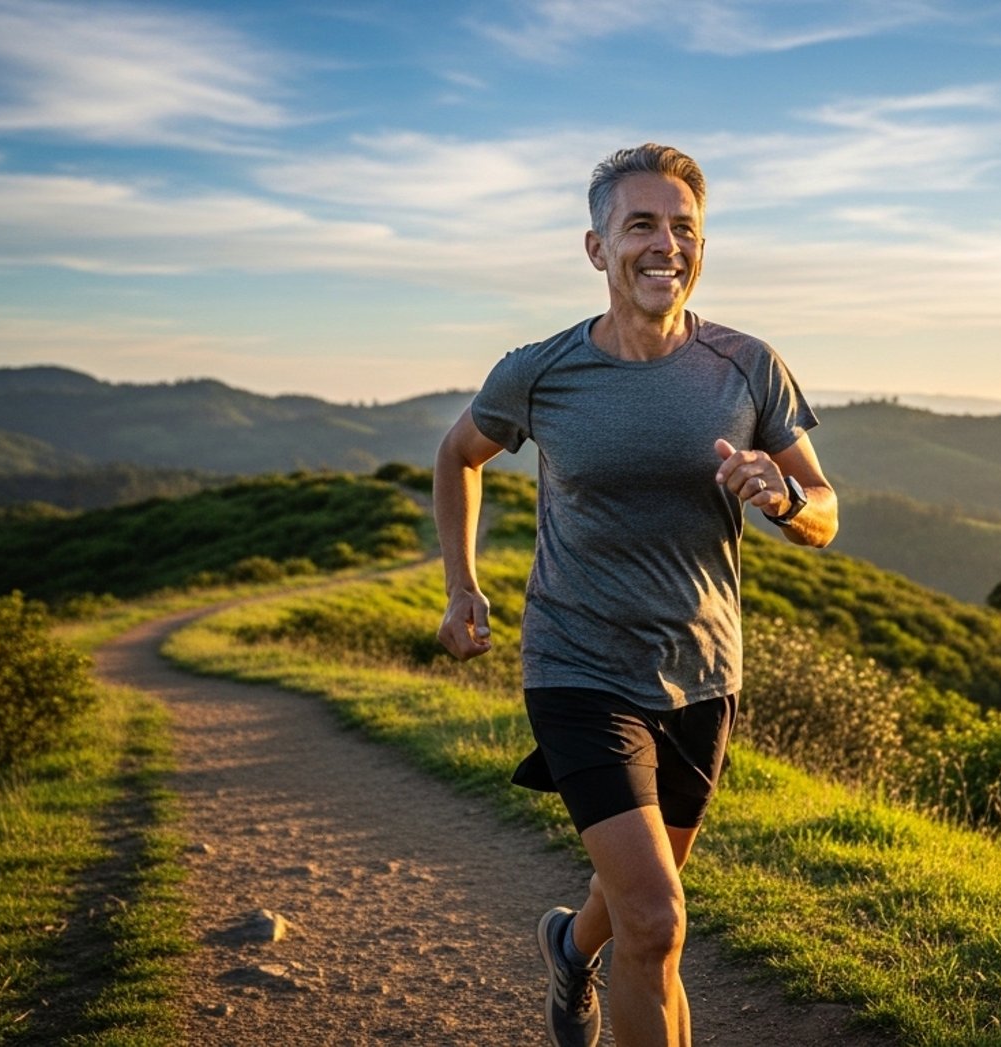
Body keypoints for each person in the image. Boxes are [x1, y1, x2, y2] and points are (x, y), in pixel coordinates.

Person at [432, 143, 838, 1047]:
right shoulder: (541, 371)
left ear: (703, 245)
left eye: (684, 227)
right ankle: (592, 957)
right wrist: (462, 585)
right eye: (642, 225)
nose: (666, 245)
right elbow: (458, 454)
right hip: (577, 669)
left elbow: (825, 513)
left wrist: (786, 497)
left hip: (703, 675)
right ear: (596, 247)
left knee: (634, 905)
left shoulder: (748, 365)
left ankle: (570, 949)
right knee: (657, 919)